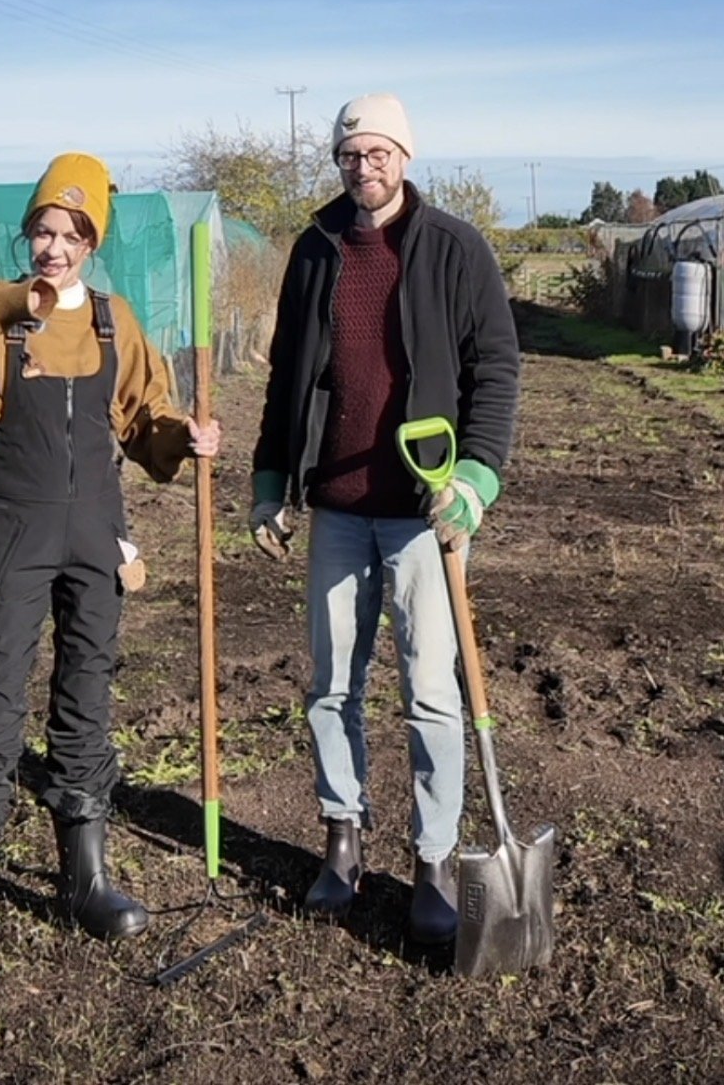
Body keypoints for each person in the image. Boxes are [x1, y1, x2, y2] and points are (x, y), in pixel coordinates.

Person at [0, 151, 219, 980]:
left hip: (98, 536)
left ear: (92, 240)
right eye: (43, 229)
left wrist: (188, 437)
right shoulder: (2, 321)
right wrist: (11, 301)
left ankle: (87, 880)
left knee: (86, 700)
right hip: (16, 535)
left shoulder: (114, 320)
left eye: (71, 233)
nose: (54, 247)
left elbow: (148, 424)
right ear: (27, 234)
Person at [249, 95, 519, 946]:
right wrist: (268, 480)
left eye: (376, 152)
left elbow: (497, 366)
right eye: (348, 155)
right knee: (332, 685)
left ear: (403, 154)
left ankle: (435, 858)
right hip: (335, 503)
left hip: (420, 513)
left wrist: (474, 480)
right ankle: (342, 838)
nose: (362, 167)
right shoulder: (316, 247)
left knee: (432, 693)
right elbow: (287, 372)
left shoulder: (451, 248)